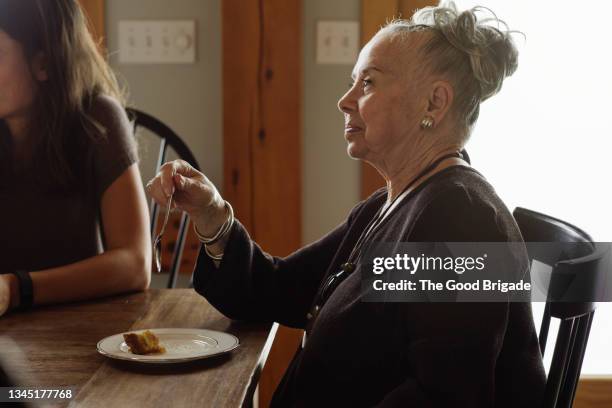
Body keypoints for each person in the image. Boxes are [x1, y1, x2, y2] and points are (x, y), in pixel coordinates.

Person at [148, 3, 545, 406]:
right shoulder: (391, 204)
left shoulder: (463, 218)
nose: (344, 100)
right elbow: (277, 288)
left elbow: (444, 397)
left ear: (434, 103)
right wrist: (211, 212)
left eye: (368, 83)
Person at [0, 0, 150, 316]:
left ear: (44, 63)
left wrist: (17, 288)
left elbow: (135, 263)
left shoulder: (97, 120)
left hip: (82, 328)